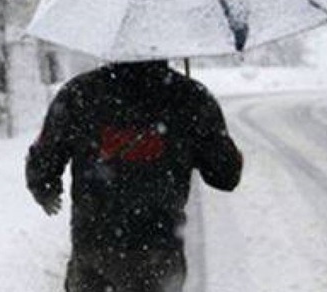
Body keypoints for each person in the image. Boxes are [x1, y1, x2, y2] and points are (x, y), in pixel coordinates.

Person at [26, 60, 243, 292]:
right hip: (159, 251)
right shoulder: (190, 97)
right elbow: (225, 176)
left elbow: (43, 161)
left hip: (95, 246)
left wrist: (45, 189)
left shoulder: (79, 93)